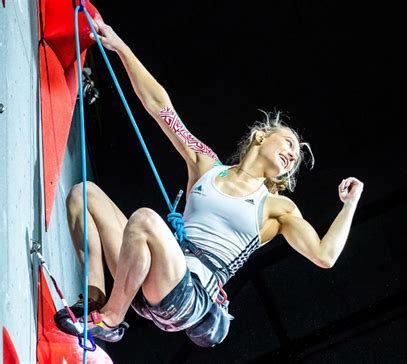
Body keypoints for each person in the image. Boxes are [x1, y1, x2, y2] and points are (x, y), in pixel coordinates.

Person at [54, 18, 364, 348]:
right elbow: (161, 108)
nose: (292, 154)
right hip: (147, 276)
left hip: (191, 297)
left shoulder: (276, 208)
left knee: (144, 220)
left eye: (295, 158)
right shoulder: (206, 165)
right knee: (83, 194)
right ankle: (94, 301)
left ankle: (113, 320)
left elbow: (325, 255)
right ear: (261, 137)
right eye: (287, 142)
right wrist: (120, 47)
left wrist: (351, 204)